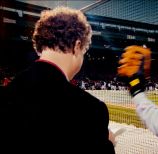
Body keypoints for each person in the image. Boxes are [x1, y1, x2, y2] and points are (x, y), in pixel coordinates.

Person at [1, 7, 115, 153]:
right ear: (77, 46)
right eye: (84, 52)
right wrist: (108, 144)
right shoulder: (90, 109)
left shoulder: (6, 93)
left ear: (39, 46)